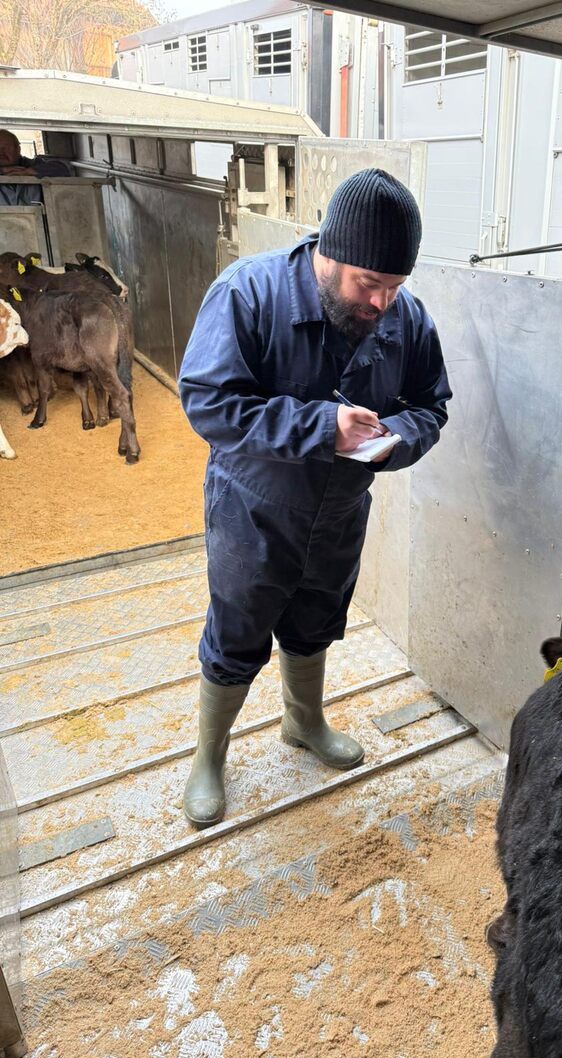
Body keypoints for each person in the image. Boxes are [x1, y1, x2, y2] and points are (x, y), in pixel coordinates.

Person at [179, 167, 451, 828]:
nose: (383, 301)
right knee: (238, 630)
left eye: (395, 286)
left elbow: (431, 406)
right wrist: (319, 427)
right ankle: (209, 757)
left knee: (316, 618)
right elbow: (208, 401)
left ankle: (303, 722)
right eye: (370, 284)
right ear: (330, 255)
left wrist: (392, 440)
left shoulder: (404, 317)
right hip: (253, 508)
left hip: (338, 512)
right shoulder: (249, 292)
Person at [0, 130, 72, 206]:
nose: (1, 152)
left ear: (18, 149)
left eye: (6, 147)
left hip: (38, 216)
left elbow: (62, 170)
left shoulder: (33, 164)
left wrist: (28, 172)